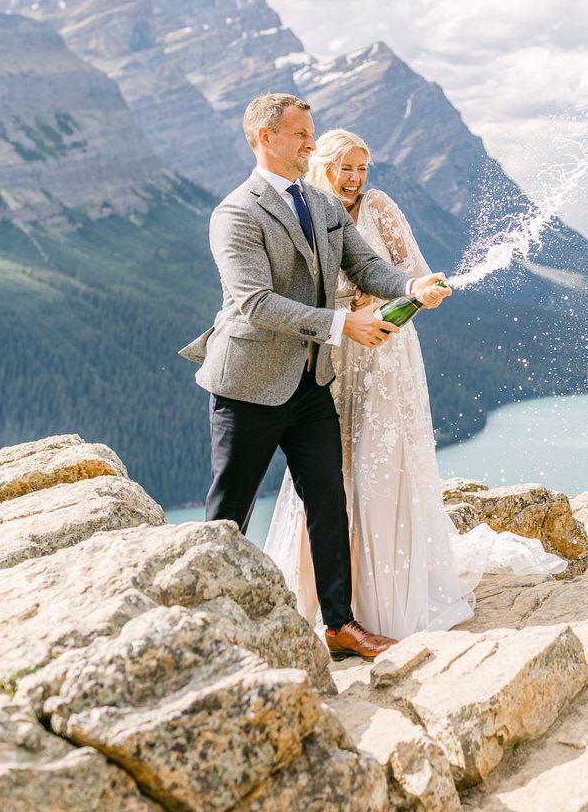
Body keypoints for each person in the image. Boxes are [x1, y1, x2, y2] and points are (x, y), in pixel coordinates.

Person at [179, 94, 451, 658]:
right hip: (249, 384)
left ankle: (339, 625)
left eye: (311, 133)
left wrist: (411, 289)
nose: (310, 142)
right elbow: (255, 302)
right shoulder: (235, 212)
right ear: (265, 138)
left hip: (311, 383)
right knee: (229, 510)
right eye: (301, 134)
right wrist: (342, 325)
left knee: (329, 500)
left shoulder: (322, 205)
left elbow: (366, 266)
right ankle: (200, 626)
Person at [265, 129, 564, 641]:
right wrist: (343, 312)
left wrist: (402, 299)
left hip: (385, 356)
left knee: (379, 468)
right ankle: (321, 598)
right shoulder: (308, 212)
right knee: (327, 469)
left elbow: (417, 277)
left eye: (362, 169)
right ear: (323, 166)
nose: (355, 179)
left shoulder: (379, 207)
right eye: (345, 168)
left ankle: (385, 602)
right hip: (332, 356)